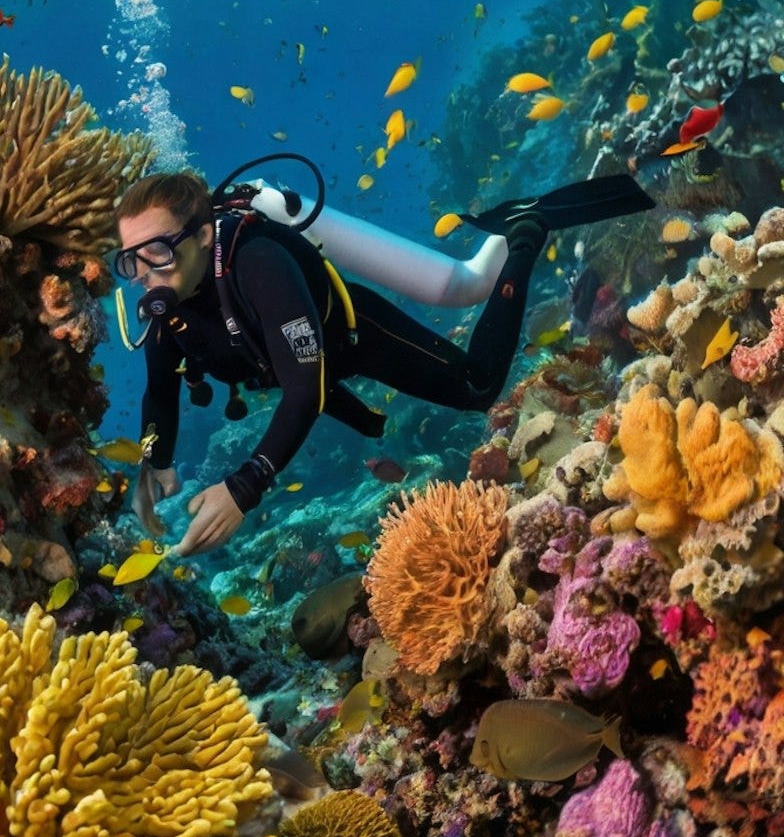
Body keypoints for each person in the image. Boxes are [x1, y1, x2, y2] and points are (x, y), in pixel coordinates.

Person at [113, 169, 649, 556]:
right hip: (300, 365)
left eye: (158, 251)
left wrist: (245, 486)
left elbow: (305, 388)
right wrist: (152, 460)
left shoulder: (258, 263)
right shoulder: (167, 309)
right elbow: (159, 389)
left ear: (204, 234)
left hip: (349, 338)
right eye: (129, 259)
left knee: (479, 386)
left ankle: (526, 233)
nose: (143, 273)